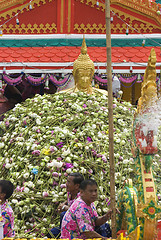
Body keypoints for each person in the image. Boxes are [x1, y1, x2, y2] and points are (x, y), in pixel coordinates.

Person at [47, 172, 84, 238]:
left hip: (77, 228)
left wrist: (65, 208)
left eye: (69, 182)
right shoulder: (70, 193)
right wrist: (64, 203)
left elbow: (78, 212)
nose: (66, 184)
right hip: (66, 226)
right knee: (51, 233)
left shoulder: (82, 197)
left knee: (63, 214)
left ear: (76, 186)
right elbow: (70, 201)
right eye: (67, 181)